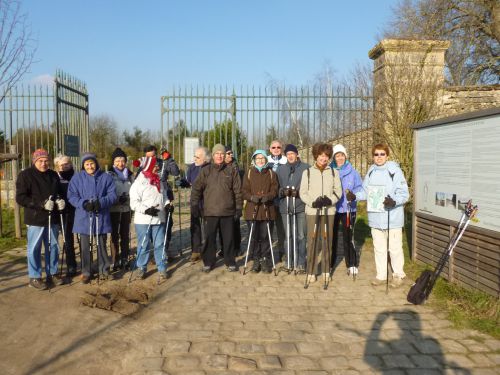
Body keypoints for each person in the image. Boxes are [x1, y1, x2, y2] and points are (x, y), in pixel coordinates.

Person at [354, 144, 409, 288]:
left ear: (387, 156)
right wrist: (354, 196)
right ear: (373, 156)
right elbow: (365, 192)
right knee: (379, 248)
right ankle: (381, 275)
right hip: (375, 218)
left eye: (382, 154)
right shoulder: (371, 171)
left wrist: (394, 201)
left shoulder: (395, 171)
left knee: (395, 248)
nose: (379, 157)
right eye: (376, 154)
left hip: (392, 217)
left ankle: (398, 275)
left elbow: (404, 194)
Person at [16, 149, 66, 289]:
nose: (43, 164)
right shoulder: (25, 175)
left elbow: (59, 193)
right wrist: (40, 204)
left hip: (52, 217)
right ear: (34, 161)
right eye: (40, 161)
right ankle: (35, 276)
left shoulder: (53, 175)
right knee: (34, 248)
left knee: (54, 246)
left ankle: (53, 273)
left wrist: (60, 201)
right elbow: (20, 197)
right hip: (35, 218)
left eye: (46, 161)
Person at [190, 144, 242, 273]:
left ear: (224, 156)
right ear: (213, 156)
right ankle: (208, 262)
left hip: (227, 211)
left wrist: (239, 208)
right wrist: (194, 205)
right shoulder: (205, 171)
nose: (219, 156)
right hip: (211, 211)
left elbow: (238, 191)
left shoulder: (231, 171)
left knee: (228, 238)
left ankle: (230, 261)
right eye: (217, 153)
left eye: (222, 154)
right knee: (210, 239)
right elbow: (196, 189)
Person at [68, 152, 117, 284]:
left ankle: (104, 270)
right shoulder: (77, 178)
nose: (90, 166)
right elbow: (71, 196)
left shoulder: (106, 177)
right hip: (84, 217)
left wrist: (101, 202)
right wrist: (83, 203)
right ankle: (86, 271)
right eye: (87, 164)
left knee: (101, 244)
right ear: (83, 165)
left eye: (92, 163)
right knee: (84, 246)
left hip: (100, 216)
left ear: (96, 164)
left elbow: (112, 195)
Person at [299, 143, 342, 283]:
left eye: (326, 156)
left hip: (328, 211)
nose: (323, 158)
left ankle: (325, 269)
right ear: (316, 156)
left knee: (327, 241)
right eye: (321, 155)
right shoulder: (308, 172)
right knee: (312, 241)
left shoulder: (334, 172)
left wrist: (330, 200)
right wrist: (312, 202)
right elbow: (303, 192)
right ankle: (311, 270)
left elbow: (338, 192)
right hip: (312, 211)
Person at [129, 156, 170, 280]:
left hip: (158, 218)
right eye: (155, 165)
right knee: (144, 244)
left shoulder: (159, 181)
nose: (158, 168)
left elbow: (164, 196)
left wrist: (168, 204)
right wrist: (146, 210)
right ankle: (141, 267)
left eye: (158, 165)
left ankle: (162, 267)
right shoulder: (138, 183)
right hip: (143, 220)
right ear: (148, 166)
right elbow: (134, 203)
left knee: (159, 243)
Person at [242, 150, 278, 273]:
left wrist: (267, 196)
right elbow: (244, 191)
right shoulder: (249, 173)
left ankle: (265, 259)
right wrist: (252, 197)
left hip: (267, 209)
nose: (260, 160)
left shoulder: (271, 173)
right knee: (254, 236)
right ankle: (256, 259)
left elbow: (275, 190)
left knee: (266, 236)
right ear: (254, 160)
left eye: (262, 158)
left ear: (266, 159)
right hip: (253, 209)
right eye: (258, 158)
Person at [329, 144, 363, 276]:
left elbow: (360, 188)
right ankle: (330, 263)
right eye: (337, 155)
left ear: (345, 156)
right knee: (332, 236)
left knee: (349, 236)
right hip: (333, 208)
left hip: (348, 208)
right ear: (334, 157)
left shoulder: (353, 172)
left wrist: (354, 195)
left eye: (342, 155)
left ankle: (352, 263)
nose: (340, 158)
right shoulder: (329, 171)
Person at [141, 145, 180, 256]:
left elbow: (176, 172)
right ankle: (155, 249)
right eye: (148, 157)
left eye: (153, 156)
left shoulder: (163, 162)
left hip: (165, 197)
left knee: (167, 223)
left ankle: (165, 248)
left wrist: (170, 160)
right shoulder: (143, 165)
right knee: (153, 224)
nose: (151, 159)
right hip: (149, 200)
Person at [276, 144, 309, 273]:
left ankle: (301, 261)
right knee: (288, 235)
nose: (290, 156)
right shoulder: (280, 169)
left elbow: (309, 186)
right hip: (285, 206)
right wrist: (281, 192)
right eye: (288, 154)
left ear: (297, 154)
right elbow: (275, 186)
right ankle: (288, 261)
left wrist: (300, 193)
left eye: (292, 153)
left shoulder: (306, 168)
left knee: (301, 235)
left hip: (300, 206)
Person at [178, 146, 211, 263]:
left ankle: (208, 251)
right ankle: (196, 251)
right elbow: (188, 181)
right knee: (195, 227)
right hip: (195, 202)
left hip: (208, 203)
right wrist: (183, 182)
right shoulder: (192, 168)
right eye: (194, 156)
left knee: (208, 229)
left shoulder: (210, 168)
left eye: (198, 157)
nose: (195, 159)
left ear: (206, 159)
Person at [107, 147, 134, 272]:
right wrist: (117, 199)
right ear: (113, 162)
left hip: (127, 209)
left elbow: (135, 190)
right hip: (113, 209)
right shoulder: (109, 175)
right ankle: (114, 259)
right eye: (117, 160)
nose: (120, 163)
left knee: (125, 234)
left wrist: (128, 199)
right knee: (114, 235)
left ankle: (124, 258)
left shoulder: (130, 175)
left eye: (122, 160)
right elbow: (106, 192)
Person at [53, 153, 77, 277]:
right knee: (68, 241)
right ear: (57, 166)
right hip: (63, 212)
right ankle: (71, 265)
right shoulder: (55, 177)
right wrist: (58, 199)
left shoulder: (76, 176)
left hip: (76, 210)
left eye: (67, 163)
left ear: (71, 164)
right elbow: (54, 191)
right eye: (61, 164)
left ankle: (86, 264)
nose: (64, 166)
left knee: (81, 238)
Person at [267, 139, 287, 261]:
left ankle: (282, 252)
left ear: (281, 149)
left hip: (281, 199)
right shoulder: (264, 160)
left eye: (278, 147)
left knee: (282, 228)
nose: (276, 149)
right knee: (267, 228)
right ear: (269, 149)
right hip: (268, 200)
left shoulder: (285, 161)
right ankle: (267, 253)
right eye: (273, 147)